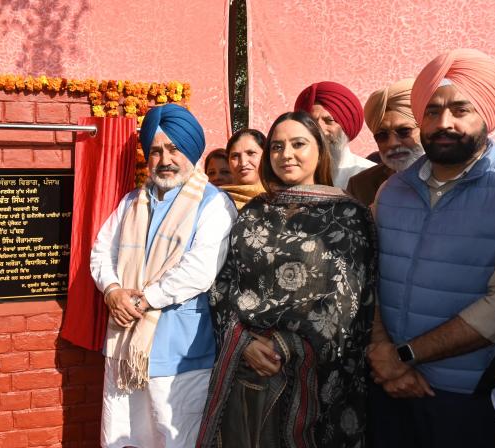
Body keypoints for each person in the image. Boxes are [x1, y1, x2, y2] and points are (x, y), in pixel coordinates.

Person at [197, 111, 376, 448]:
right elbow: (223, 283)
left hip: (318, 374)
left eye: (298, 144)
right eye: (277, 146)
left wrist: (287, 346)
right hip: (247, 368)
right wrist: (244, 342)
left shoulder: (348, 215)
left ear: (320, 151)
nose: (286, 154)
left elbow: (350, 301)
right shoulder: (255, 211)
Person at [368, 48, 495, 448]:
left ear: (487, 115)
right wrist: (382, 354)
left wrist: (405, 356)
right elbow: (370, 280)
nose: (443, 122)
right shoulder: (392, 191)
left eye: (460, 110)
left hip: (470, 397)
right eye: (431, 111)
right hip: (387, 386)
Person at [90, 103, 237, 447]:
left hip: (181, 350)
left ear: (190, 150)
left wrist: (142, 299)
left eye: (173, 149)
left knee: (175, 438)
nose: (165, 160)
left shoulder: (214, 203)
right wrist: (112, 291)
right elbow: (101, 251)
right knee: (122, 436)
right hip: (125, 346)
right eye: (155, 151)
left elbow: (200, 270)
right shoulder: (131, 203)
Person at [347, 78, 424, 205]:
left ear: (425, 128)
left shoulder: (455, 174)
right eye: (382, 135)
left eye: (404, 131)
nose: (392, 144)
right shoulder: (361, 186)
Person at [294, 81, 375, 188]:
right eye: (312, 121)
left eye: (329, 121)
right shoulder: (291, 172)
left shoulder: (369, 174)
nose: (320, 130)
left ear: (345, 126)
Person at [221, 128, 266, 209]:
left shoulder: (281, 198)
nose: (243, 163)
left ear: (266, 156)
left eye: (251, 153)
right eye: (235, 156)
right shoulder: (216, 199)